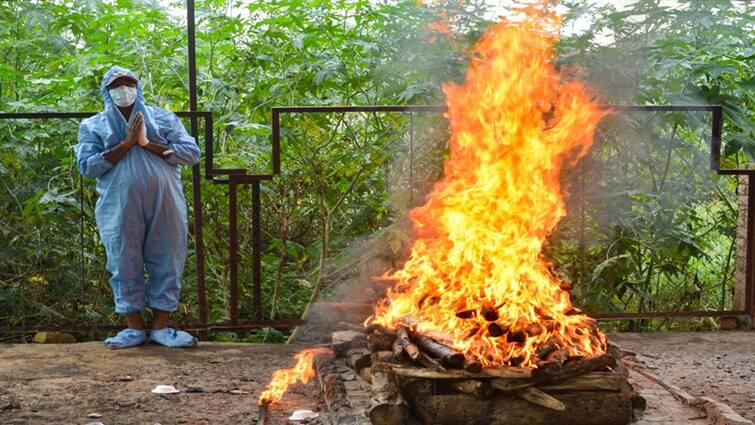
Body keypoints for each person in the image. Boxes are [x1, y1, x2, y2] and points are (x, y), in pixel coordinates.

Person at [75, 66, 200, 349]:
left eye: (129, 83)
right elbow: (88, 166)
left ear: (138, 87)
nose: (124, 89)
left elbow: (191, 153)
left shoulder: (163, 118)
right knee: (122, 259)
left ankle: (161, 327)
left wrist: (146, 143)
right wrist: (126, 144)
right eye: (117, 85)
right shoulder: (93, 126)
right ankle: (133, 328)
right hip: (119, 205)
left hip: (164, 202)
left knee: (168, 257)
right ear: (107, 93)